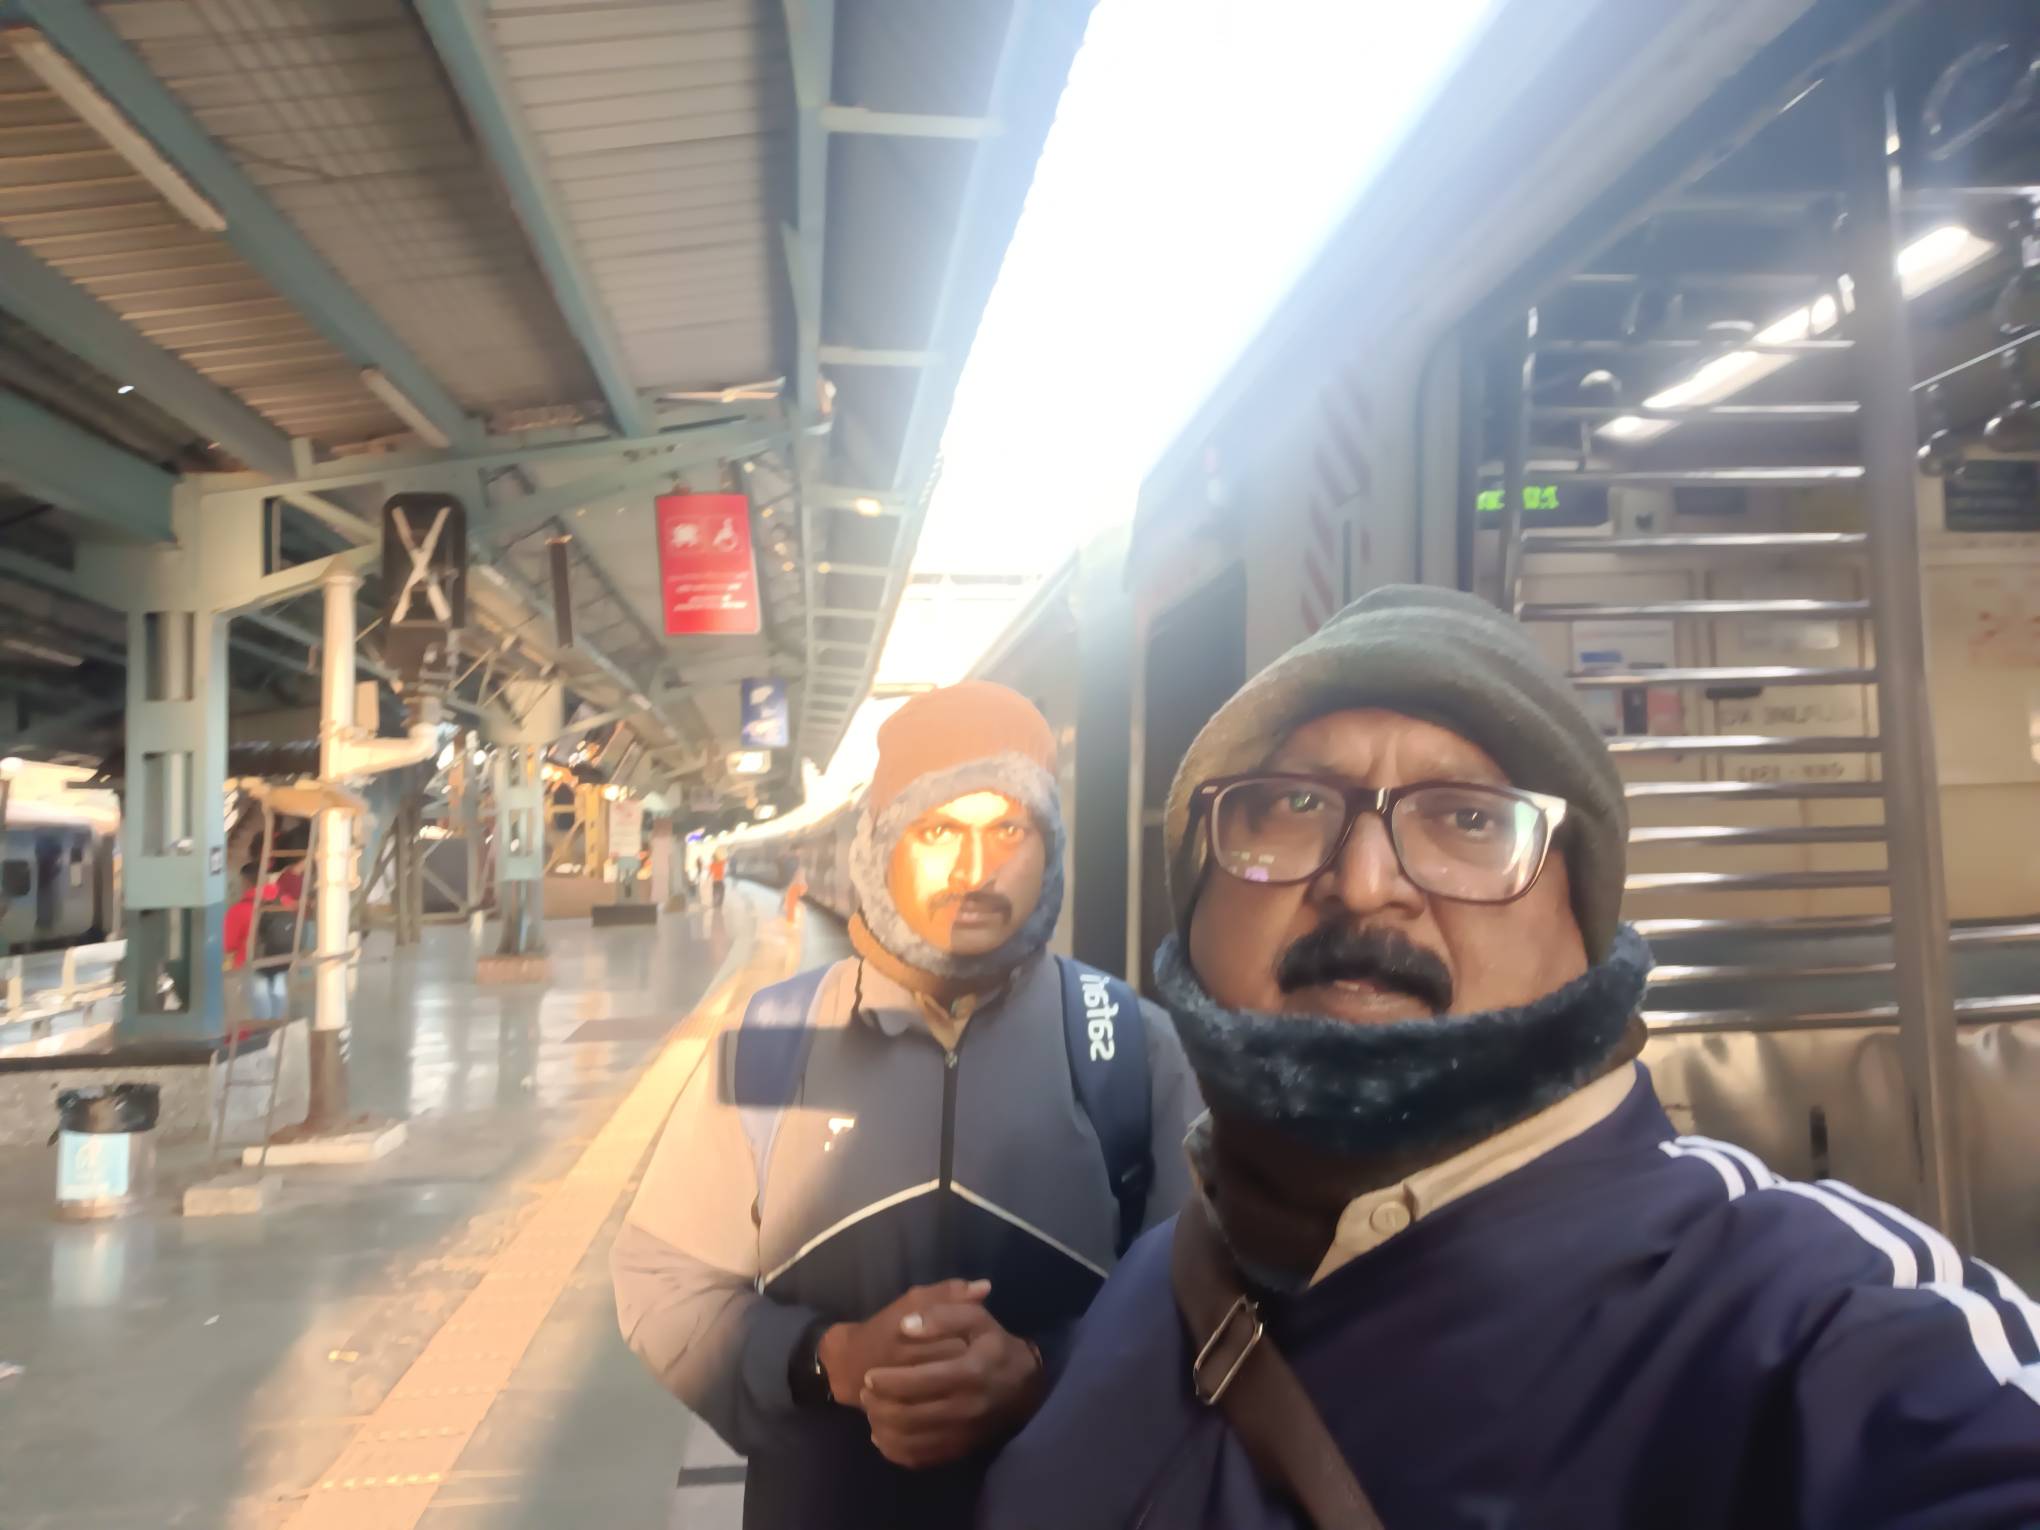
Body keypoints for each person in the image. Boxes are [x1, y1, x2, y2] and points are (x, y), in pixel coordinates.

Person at [980, 587, 2040, 1530]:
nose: (1365, 883)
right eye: (1293, 805)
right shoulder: (1160, 1279)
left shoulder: (1809, 1319)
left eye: (1469, 820)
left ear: (1584, 923)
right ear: (1199, 899)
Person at [612, 681, 1202, 1530]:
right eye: (937, 831)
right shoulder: (772, 1039)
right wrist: (828, 1360)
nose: (976, 869)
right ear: (880, 846)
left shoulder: (1132, 1047)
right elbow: (666, 1279)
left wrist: (1044, 1372)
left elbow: (1210, 1296)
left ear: (1051, 849)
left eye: (1011, 830)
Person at [222, 864, 295, 1023]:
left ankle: (263, 1031)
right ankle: (277, 1028)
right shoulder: (285, 901)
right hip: (281, 959)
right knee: (278, 996)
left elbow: (228, 945)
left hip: (252, 964)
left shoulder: (239, 910)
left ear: (245, 882)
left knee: (259, 1006)